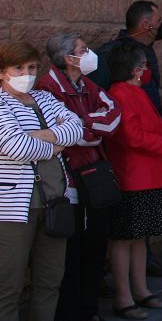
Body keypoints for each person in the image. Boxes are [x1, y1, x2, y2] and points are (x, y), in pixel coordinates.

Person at [38, 33, 123, 321]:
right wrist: (85, 129)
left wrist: (82, 124)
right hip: (68, 182)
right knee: (71, 256)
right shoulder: (47, 87)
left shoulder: (87, 84)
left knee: (95, 249)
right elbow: (68, 137)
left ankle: (88, 311)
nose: (89, 54)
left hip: (94, 179)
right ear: (67, 59)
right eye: (83, 50)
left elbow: (112, 117)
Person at [0, 41, 84, 321]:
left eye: (33, 67)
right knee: (7, 286)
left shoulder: (45, 99)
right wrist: (56, 141)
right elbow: (16, 147)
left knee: (49, 281)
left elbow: (76, 128)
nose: (28, 73)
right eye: (19, 68)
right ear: (3, 72)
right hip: (12, 210)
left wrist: (40, 138)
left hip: (54, 202)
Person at [94, 0, 162, 279]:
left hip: (149, 163)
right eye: (159, 19)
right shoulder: (116, 58)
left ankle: (140, 283)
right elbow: (113, 116)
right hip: (131, 166)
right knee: (127, 233)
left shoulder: (144, 55)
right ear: (146, 25)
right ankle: (122, 288)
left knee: (141, 234)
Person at [101, 43, 162, 320]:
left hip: (148, 175)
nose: (147, 70)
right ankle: (123, 297)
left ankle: (141, 289)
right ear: (136, 69)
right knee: (124, 239)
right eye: (144, 65)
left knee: (140, 238)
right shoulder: (119, 93)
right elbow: (130, 136)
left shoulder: (135, 91)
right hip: (132, 177)